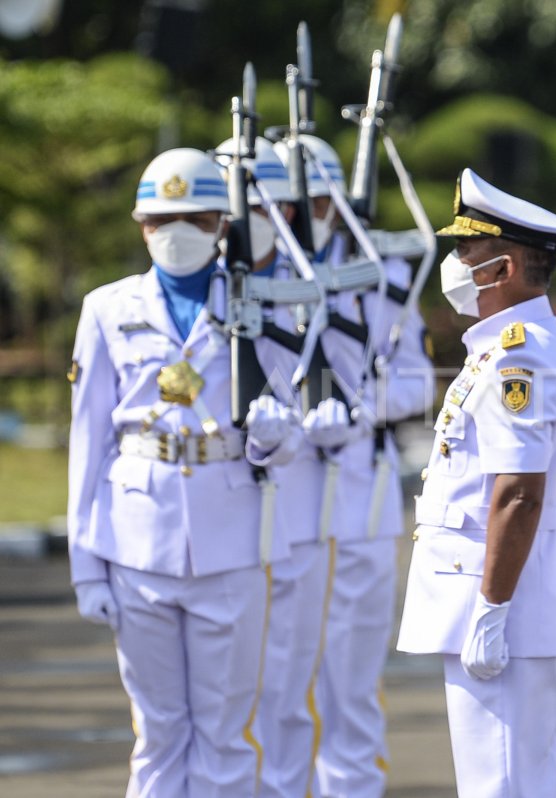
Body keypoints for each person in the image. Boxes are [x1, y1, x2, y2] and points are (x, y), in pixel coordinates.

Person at [67, 147, 299, 796]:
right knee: (159, 734)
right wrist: (86, 565)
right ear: (140, 224)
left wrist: (272, 439)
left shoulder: (260, 305)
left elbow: (285, 427)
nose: (174, 234)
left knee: (226, 735)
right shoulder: (106, 308)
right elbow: (88, 442)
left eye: (195, 218)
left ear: (223, 224)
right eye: (158, 220)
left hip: (229, 541)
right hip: (137, 544)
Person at [396, 168, 556, 797]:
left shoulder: (519, 353)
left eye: (466, 252)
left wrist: (491, 609)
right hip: (509, 600)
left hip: (507, 606)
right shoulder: (507, 345)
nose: (454, 263)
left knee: (504, 784)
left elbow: (518, 491)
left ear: (503, 269)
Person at [282, 134, 436, 797]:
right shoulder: (257, 273)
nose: (301, 215)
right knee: (276, 675)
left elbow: (418, 383)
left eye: (313, 202)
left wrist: (359, 406)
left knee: (350, 678)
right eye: (288, 204)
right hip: (277, 495)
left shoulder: (387, 272)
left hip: (358, 493)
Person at [215, 135, 350, 798]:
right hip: (218, 530)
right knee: (221, 708)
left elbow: (338, 381)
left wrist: (335, 418)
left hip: (298, 518)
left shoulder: (304, 287)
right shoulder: (193, 299)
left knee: (289, 696)